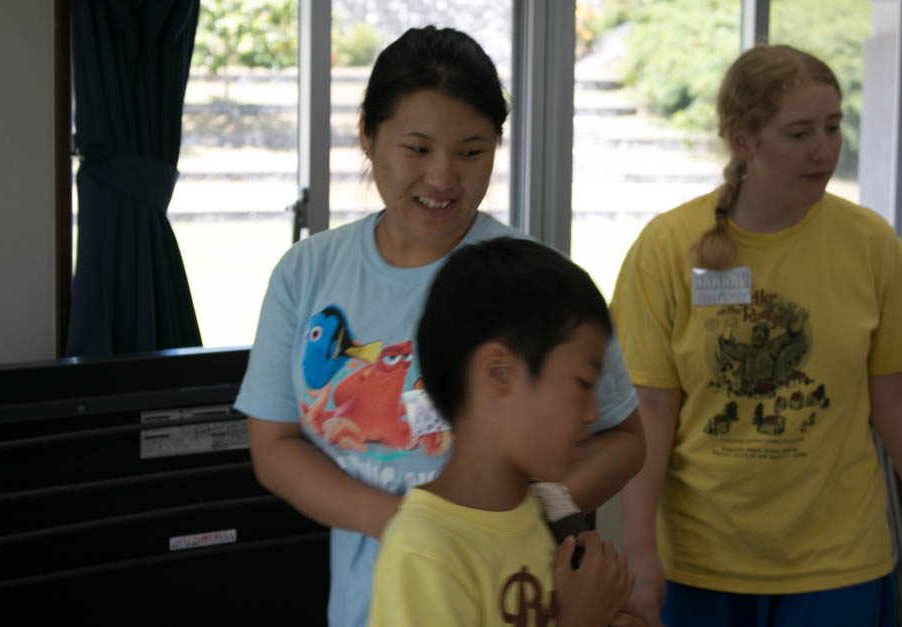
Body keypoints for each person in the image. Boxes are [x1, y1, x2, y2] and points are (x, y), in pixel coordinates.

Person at [233, 25, 646, 627]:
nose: (444, 178)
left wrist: (520, 518)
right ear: (369, 137)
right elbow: (274, 447)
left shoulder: (533, 280)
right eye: (418, 149)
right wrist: (413, 528)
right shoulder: (308, 272)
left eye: (472, 152)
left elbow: (624, 437)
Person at [610, 43, 902, 627]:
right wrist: (639, 552)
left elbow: (896, 399)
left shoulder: (873, 246)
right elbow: (648, 409)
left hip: (839, 561)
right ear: (743, 142)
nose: (825, 151)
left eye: (833, 126)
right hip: (701, 560)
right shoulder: (667, 248)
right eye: (799, 133)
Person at [368, 237, 643, 626]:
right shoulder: (424, 554)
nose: (593, 413)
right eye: (582, 384)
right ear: (499, 373)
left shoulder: (547, 513)